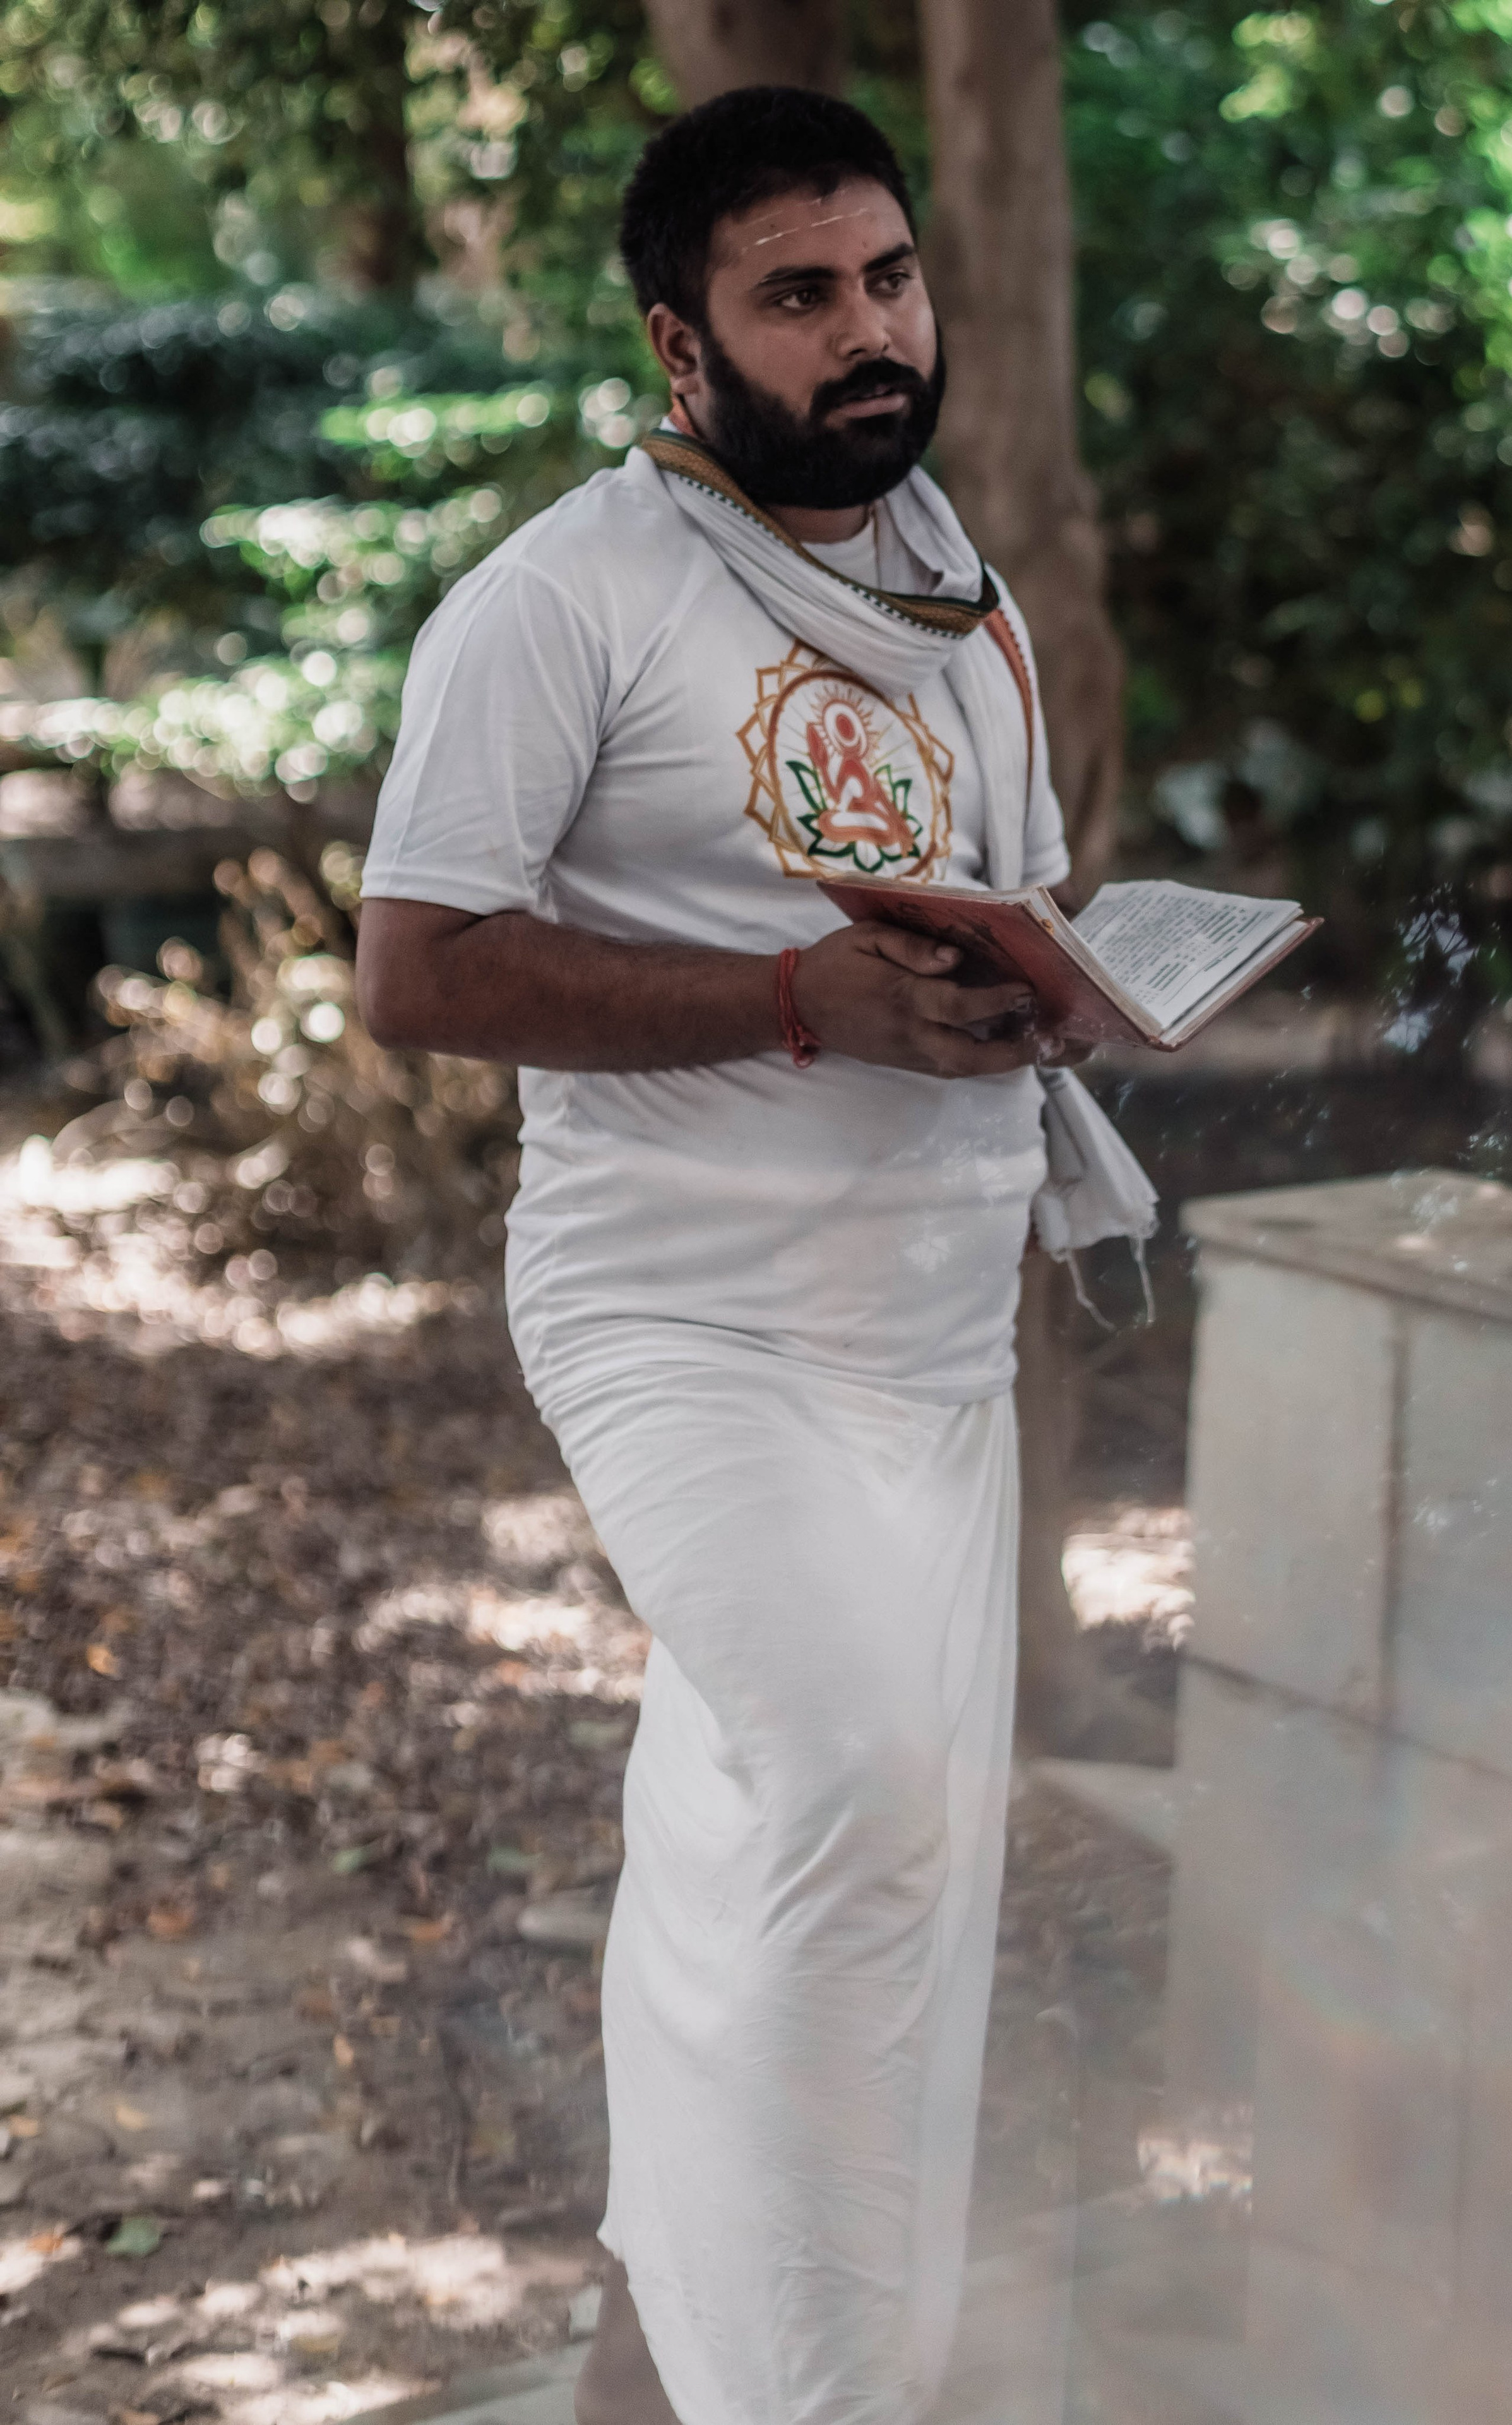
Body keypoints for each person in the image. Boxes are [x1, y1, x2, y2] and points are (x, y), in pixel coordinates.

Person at [356, 85, 1107, 2425]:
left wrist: (1042, 996)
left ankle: (666, 2351)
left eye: (888, 280)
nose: (871, 334)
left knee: (846, 1852)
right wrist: (795, 1000)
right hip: (683, 1317)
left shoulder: (958, 594)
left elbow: (1015, 899)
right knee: (858, 1782)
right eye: (802, 298)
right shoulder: (561, 600)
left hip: (928, 1335)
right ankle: (779, 2380)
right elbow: (416, 968)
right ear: (683, 348)